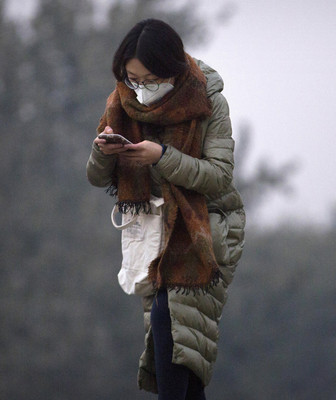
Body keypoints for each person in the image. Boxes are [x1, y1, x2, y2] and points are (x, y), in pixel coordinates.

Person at [86, 18, 245, 399]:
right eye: (132, 78)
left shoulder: (209, 102)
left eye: (149, 79)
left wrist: (161, 157)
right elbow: (95, 177)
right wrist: (103, 151)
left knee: (169, 325)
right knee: (181, 356)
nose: (140, 89)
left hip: (207, 233)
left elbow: (219, 177)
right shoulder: (121, 104)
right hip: (154, 236)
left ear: (172, 71)